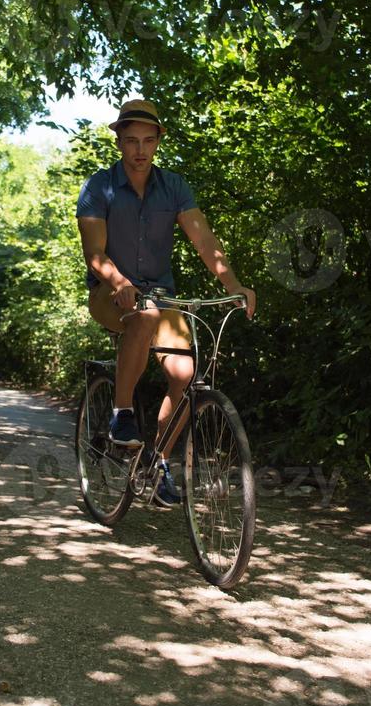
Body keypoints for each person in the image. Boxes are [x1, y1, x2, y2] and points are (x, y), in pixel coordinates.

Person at [75, 99, 255, 505]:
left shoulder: (173, 187)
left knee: (185, 373)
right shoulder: (98, 187)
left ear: (158, 142)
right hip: (110, 293)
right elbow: (95, 253)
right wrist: (119, 282)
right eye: (131, 140)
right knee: (142, 317)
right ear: (119, 141)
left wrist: (235, 283)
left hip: (159, 294)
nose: (140, 150)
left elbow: (205, 241)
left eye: (148, 141)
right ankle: (122, 413)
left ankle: (155, 464)